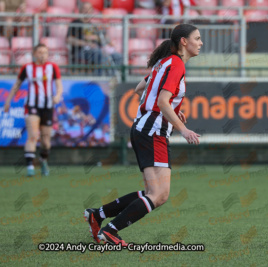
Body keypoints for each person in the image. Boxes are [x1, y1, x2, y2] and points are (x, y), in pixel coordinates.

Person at [84, 24, 203, 245]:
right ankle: (110, 230)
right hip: (153, 132)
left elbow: (141, 90)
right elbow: (161, 101)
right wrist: (183, 129)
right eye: (197, 38)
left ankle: (98, 215)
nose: (201, 42)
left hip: (144, 129)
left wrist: (174, 110)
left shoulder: (164, 62)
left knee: (153, 191)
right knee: (160, 194)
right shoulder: (176, 64)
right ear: (183, 42)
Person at [4, 43, 63, 176]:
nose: (42, 55)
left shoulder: (53, 67)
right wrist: (8, 102)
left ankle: (43, 160)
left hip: (48, 106)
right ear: (35, 54)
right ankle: (30, 167)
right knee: (32, 136)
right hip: (32, 106)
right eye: (40, 52)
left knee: (46, 141)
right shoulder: (27, 68)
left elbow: (59, 85)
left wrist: (58, 95)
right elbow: (16, 85)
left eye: (45, 52)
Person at [66, 2, 122, 75]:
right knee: (99, 53)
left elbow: (103, 37)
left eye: (89, 9)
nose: (87, 11)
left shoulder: (94, 26)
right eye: (84, 9)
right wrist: (86, 43)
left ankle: (114, 77)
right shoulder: (75, 23)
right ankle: (100, 78)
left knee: (118, 56)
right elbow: (69, 39)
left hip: (97, 49)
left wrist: (108, 42)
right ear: (80, 10)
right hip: (81, 51)